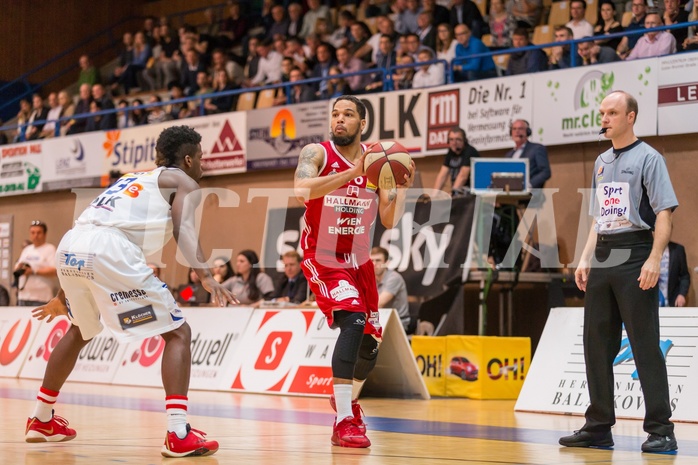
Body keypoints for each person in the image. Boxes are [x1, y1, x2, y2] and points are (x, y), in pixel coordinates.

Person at [24, 125, 237, 457]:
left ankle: (41, 418)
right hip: (108, 248)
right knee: (179, 333)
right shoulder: (183, 180)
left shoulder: (130, 178)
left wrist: (63, 295)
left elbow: (91, 232)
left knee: (80, 329)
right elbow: (184, 227)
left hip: (71, 245)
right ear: (188, 158)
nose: (202, 164)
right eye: (201, 158)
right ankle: (178, 431)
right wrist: (205, 276)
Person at [559, 91, 678, 453]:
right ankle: (598, 427)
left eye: (613, 112)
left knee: (644, 344)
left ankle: (661, 430)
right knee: (596, 344)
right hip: (605, 254)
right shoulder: (600, 161)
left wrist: (655, 258)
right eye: (602, 112)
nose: (605, 118)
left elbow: (663, 213)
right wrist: (584, 258)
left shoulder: (649, 158)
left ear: (631, 117)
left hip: (636, 251)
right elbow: (599, 218)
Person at [294, 95, 415, 448]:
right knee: (354, 320)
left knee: (369, 348)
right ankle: (344, 418)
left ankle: (345, 400)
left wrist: (401, 188)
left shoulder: (379, 164)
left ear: (362, 123)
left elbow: (389, 220)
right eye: (335, 114)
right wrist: (353, 172)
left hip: (360, 263)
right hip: (325, 257)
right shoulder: (317, 153)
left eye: (347, 114)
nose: (339, 120)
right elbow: (301, 189)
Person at [14, 221, 58, 307]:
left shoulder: (50, 249)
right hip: (23, 296)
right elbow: (16, 268)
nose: (35, 235)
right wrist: (20, 268)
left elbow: (54, 271)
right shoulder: (27, 250)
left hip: (41, 298)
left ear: (45, 234)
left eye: (38, 233)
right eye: (33, 233)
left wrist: (33, 271)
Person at [370, 247, 410, 332]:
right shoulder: (370, 279)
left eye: (378, 260)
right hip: (379, 320)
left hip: (399, 322)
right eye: (371, 261)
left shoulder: (394, 278)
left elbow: (379, 304)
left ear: (386, 263)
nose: (374, 264)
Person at [505, 120, 551, 189]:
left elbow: (545, 172)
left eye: (520, 128)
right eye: (514, 129)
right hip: (511, 195)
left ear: (528, 132)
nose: (517, 131)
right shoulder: (508, 155)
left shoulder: (537, 149)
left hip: (531, 196)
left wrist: (528, 185)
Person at [433, 126, 479, 194]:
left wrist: (453, 194)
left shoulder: (470, 152)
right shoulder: (450, 153)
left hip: (470, 194)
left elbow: (463, 176)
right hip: (458, 194)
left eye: (458, 139)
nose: (454, 143)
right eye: (451, 139)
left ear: (464, 140)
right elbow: (442, 175)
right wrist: (433, 197)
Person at [658, 241, 690, 307]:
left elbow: (684, 276)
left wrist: (682, 294)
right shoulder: (644, 249)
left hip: (672, 302)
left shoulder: (678, 249)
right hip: (650, 304)